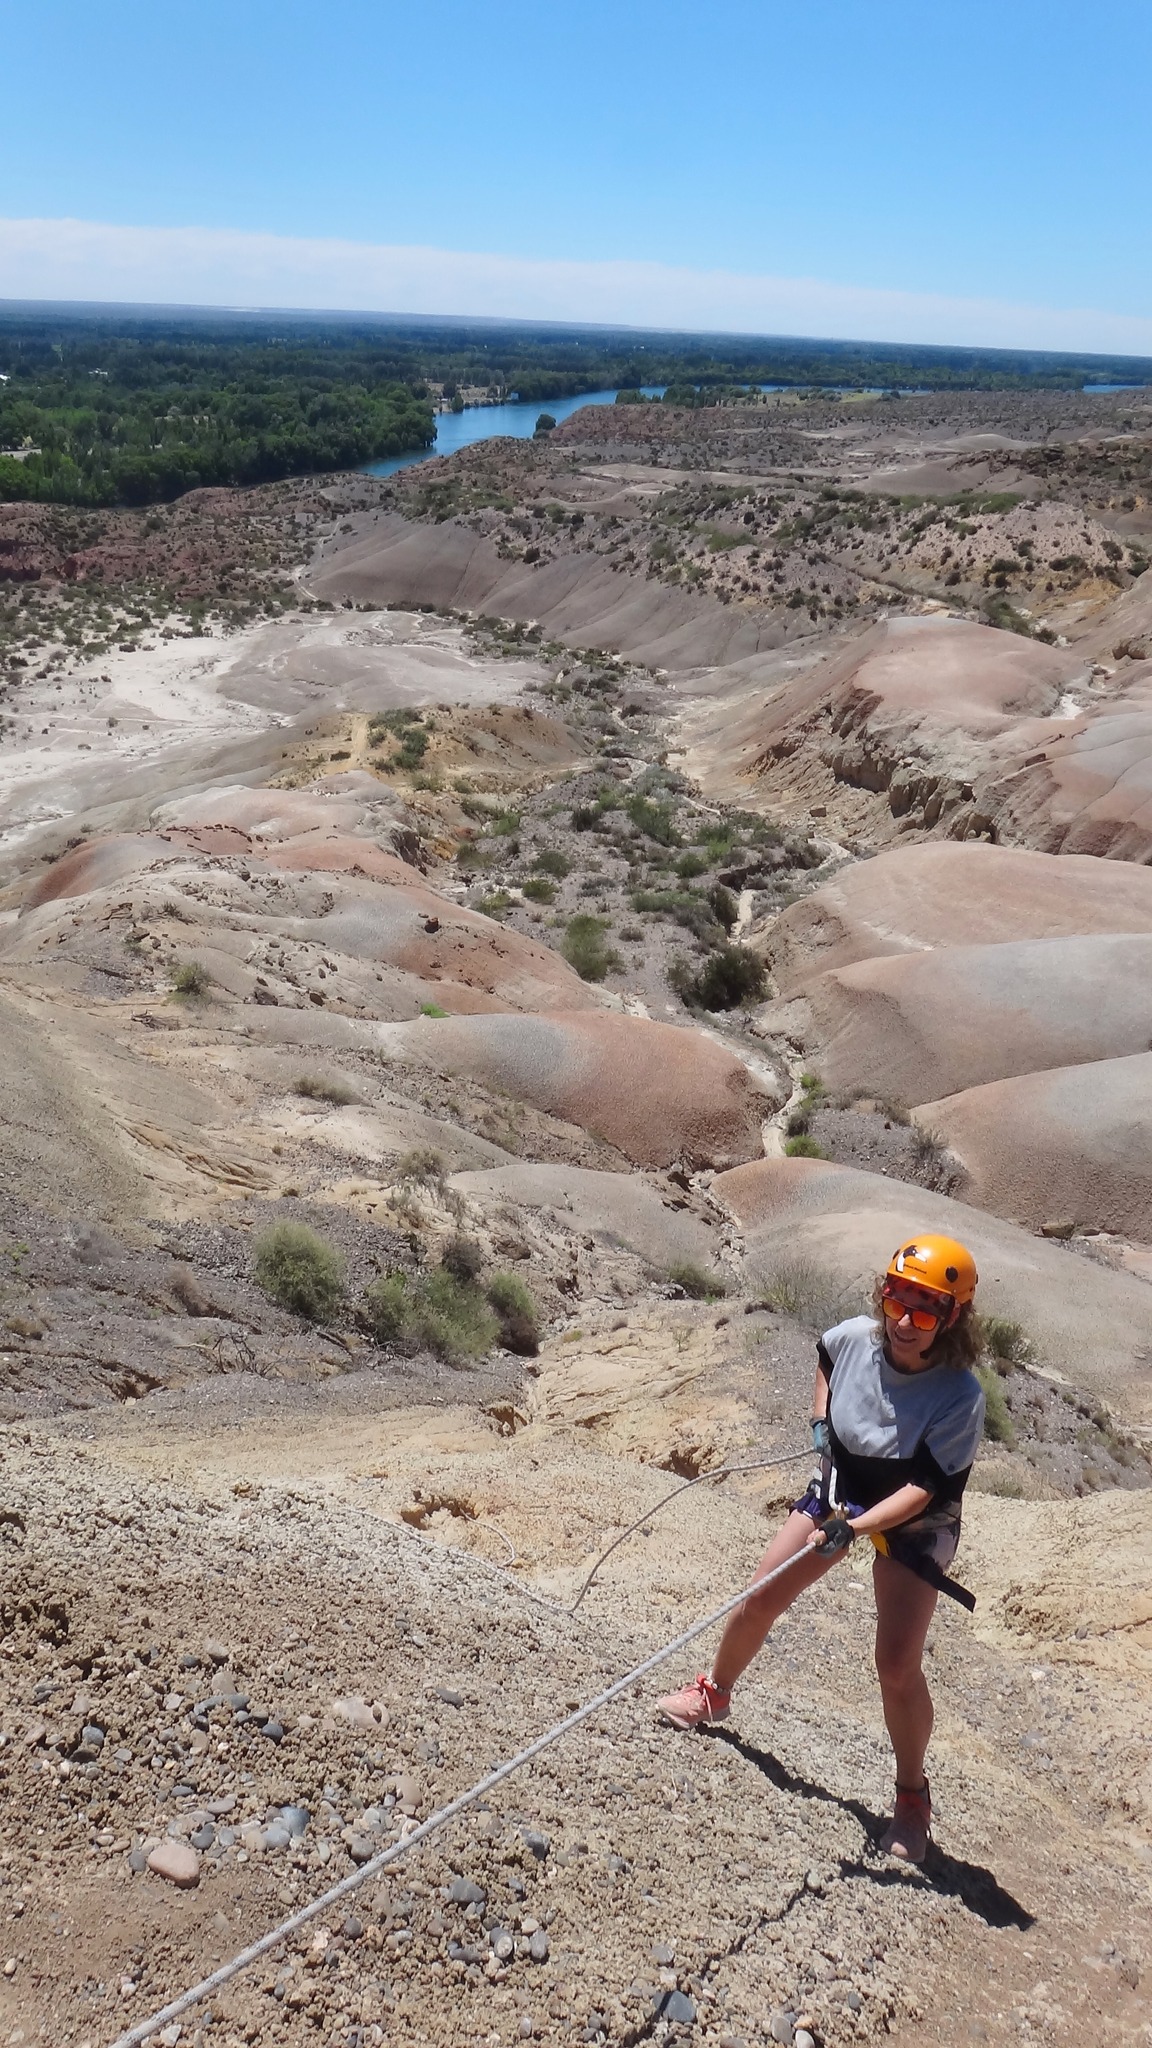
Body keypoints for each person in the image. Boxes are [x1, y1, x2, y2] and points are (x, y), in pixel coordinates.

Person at [656, 1234, 986, 1864]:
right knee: (760, 1597)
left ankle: (912, 1799)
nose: (904, 1322)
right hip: (843, 1490)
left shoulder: (959, 1398)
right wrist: (819, 1423)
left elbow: (923, 1488)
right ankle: (713, 1693)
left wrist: (856, 1530)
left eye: (925, 1309)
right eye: (897, 1300)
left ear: (952, 1318)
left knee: (895, 1665)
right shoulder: (855, 1337)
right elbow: (826, 1361)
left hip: (915, 1522)